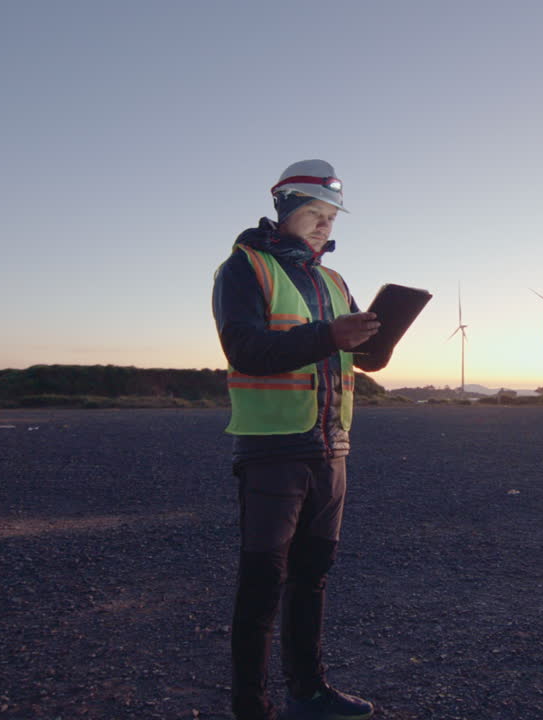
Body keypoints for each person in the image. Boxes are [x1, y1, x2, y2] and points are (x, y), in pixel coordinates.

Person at [211, 159, 380, 720]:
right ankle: (250, 708)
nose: (324, 225)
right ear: (285, 210)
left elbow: (354, 355)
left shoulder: (333, 281)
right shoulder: (244, 270)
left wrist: (377, 337)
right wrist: (329, 335)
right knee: (262, 584)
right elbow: (247, 351)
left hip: (332, 446)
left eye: (331, 216)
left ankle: (308, 693)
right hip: (272, 447)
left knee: (312, 578)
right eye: (314, 213)